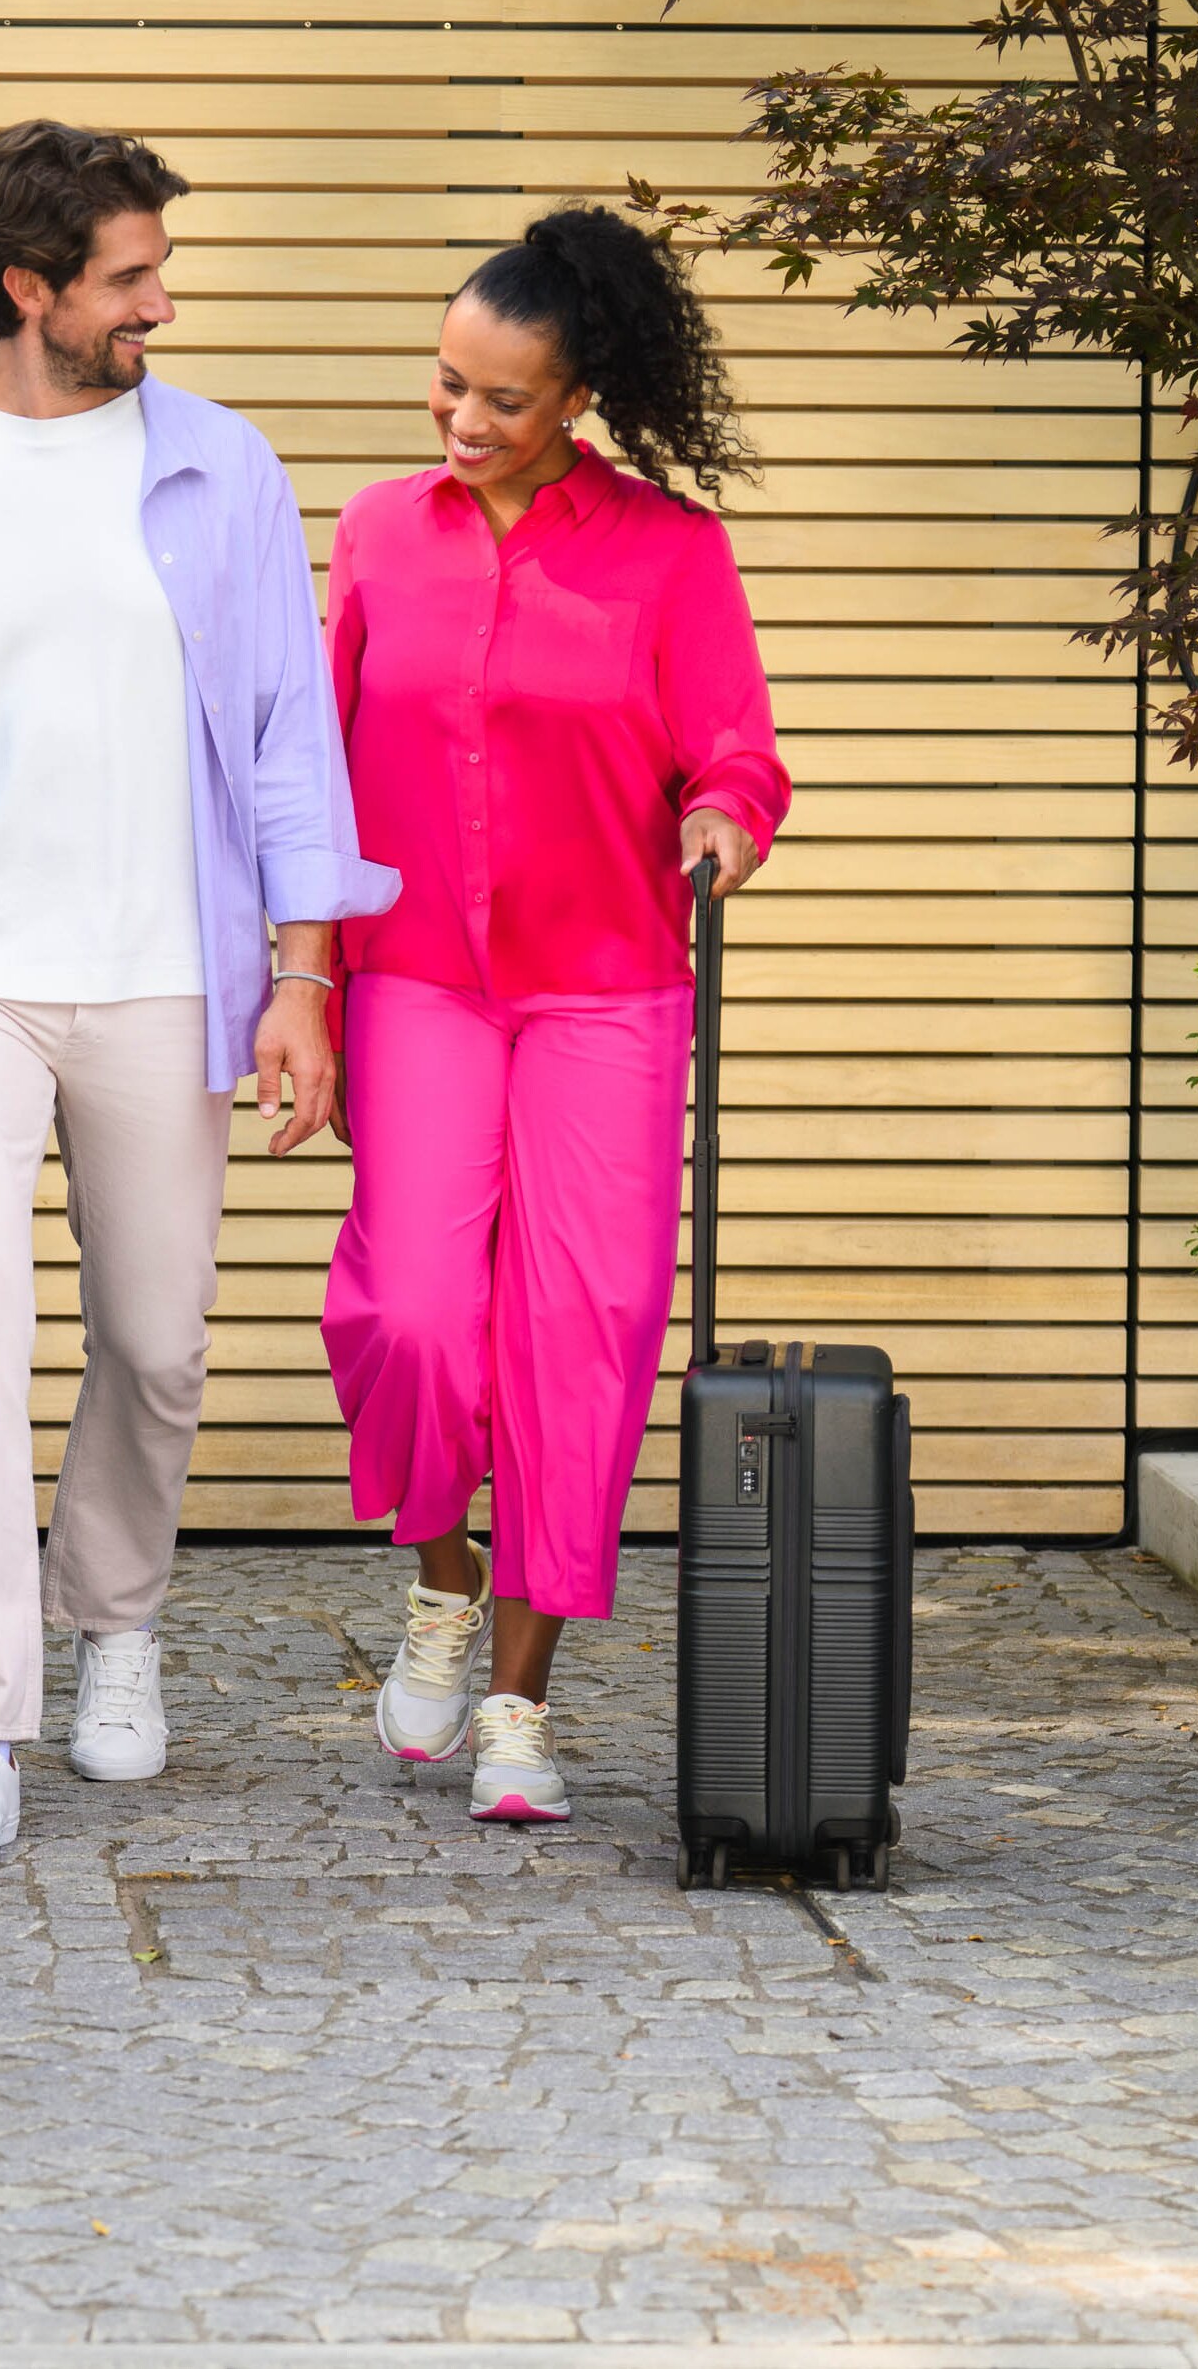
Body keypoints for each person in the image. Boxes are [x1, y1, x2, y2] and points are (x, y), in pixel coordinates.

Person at [0, 120, 400, 1871]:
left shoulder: (220, 473)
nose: (160, 302)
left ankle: (116, 1621)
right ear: (31, 288)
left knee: (155, 1342)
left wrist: (304, 974)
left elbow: (285, 740)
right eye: (131, 275)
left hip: (168, 973)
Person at [317, 205, 789, 1827]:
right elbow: (314, 773)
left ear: (576, 399)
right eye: (445, 382)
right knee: (415, 1318)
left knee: (577, 1343)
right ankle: (442, 1574)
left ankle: (519, 1702)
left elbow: (738, 747)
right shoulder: (379, 532)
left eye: (500, 398)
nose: (460, 419)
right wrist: (296, 978)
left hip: (608, 988)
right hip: (420, 980)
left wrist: (728, 816)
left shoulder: (670, 552)